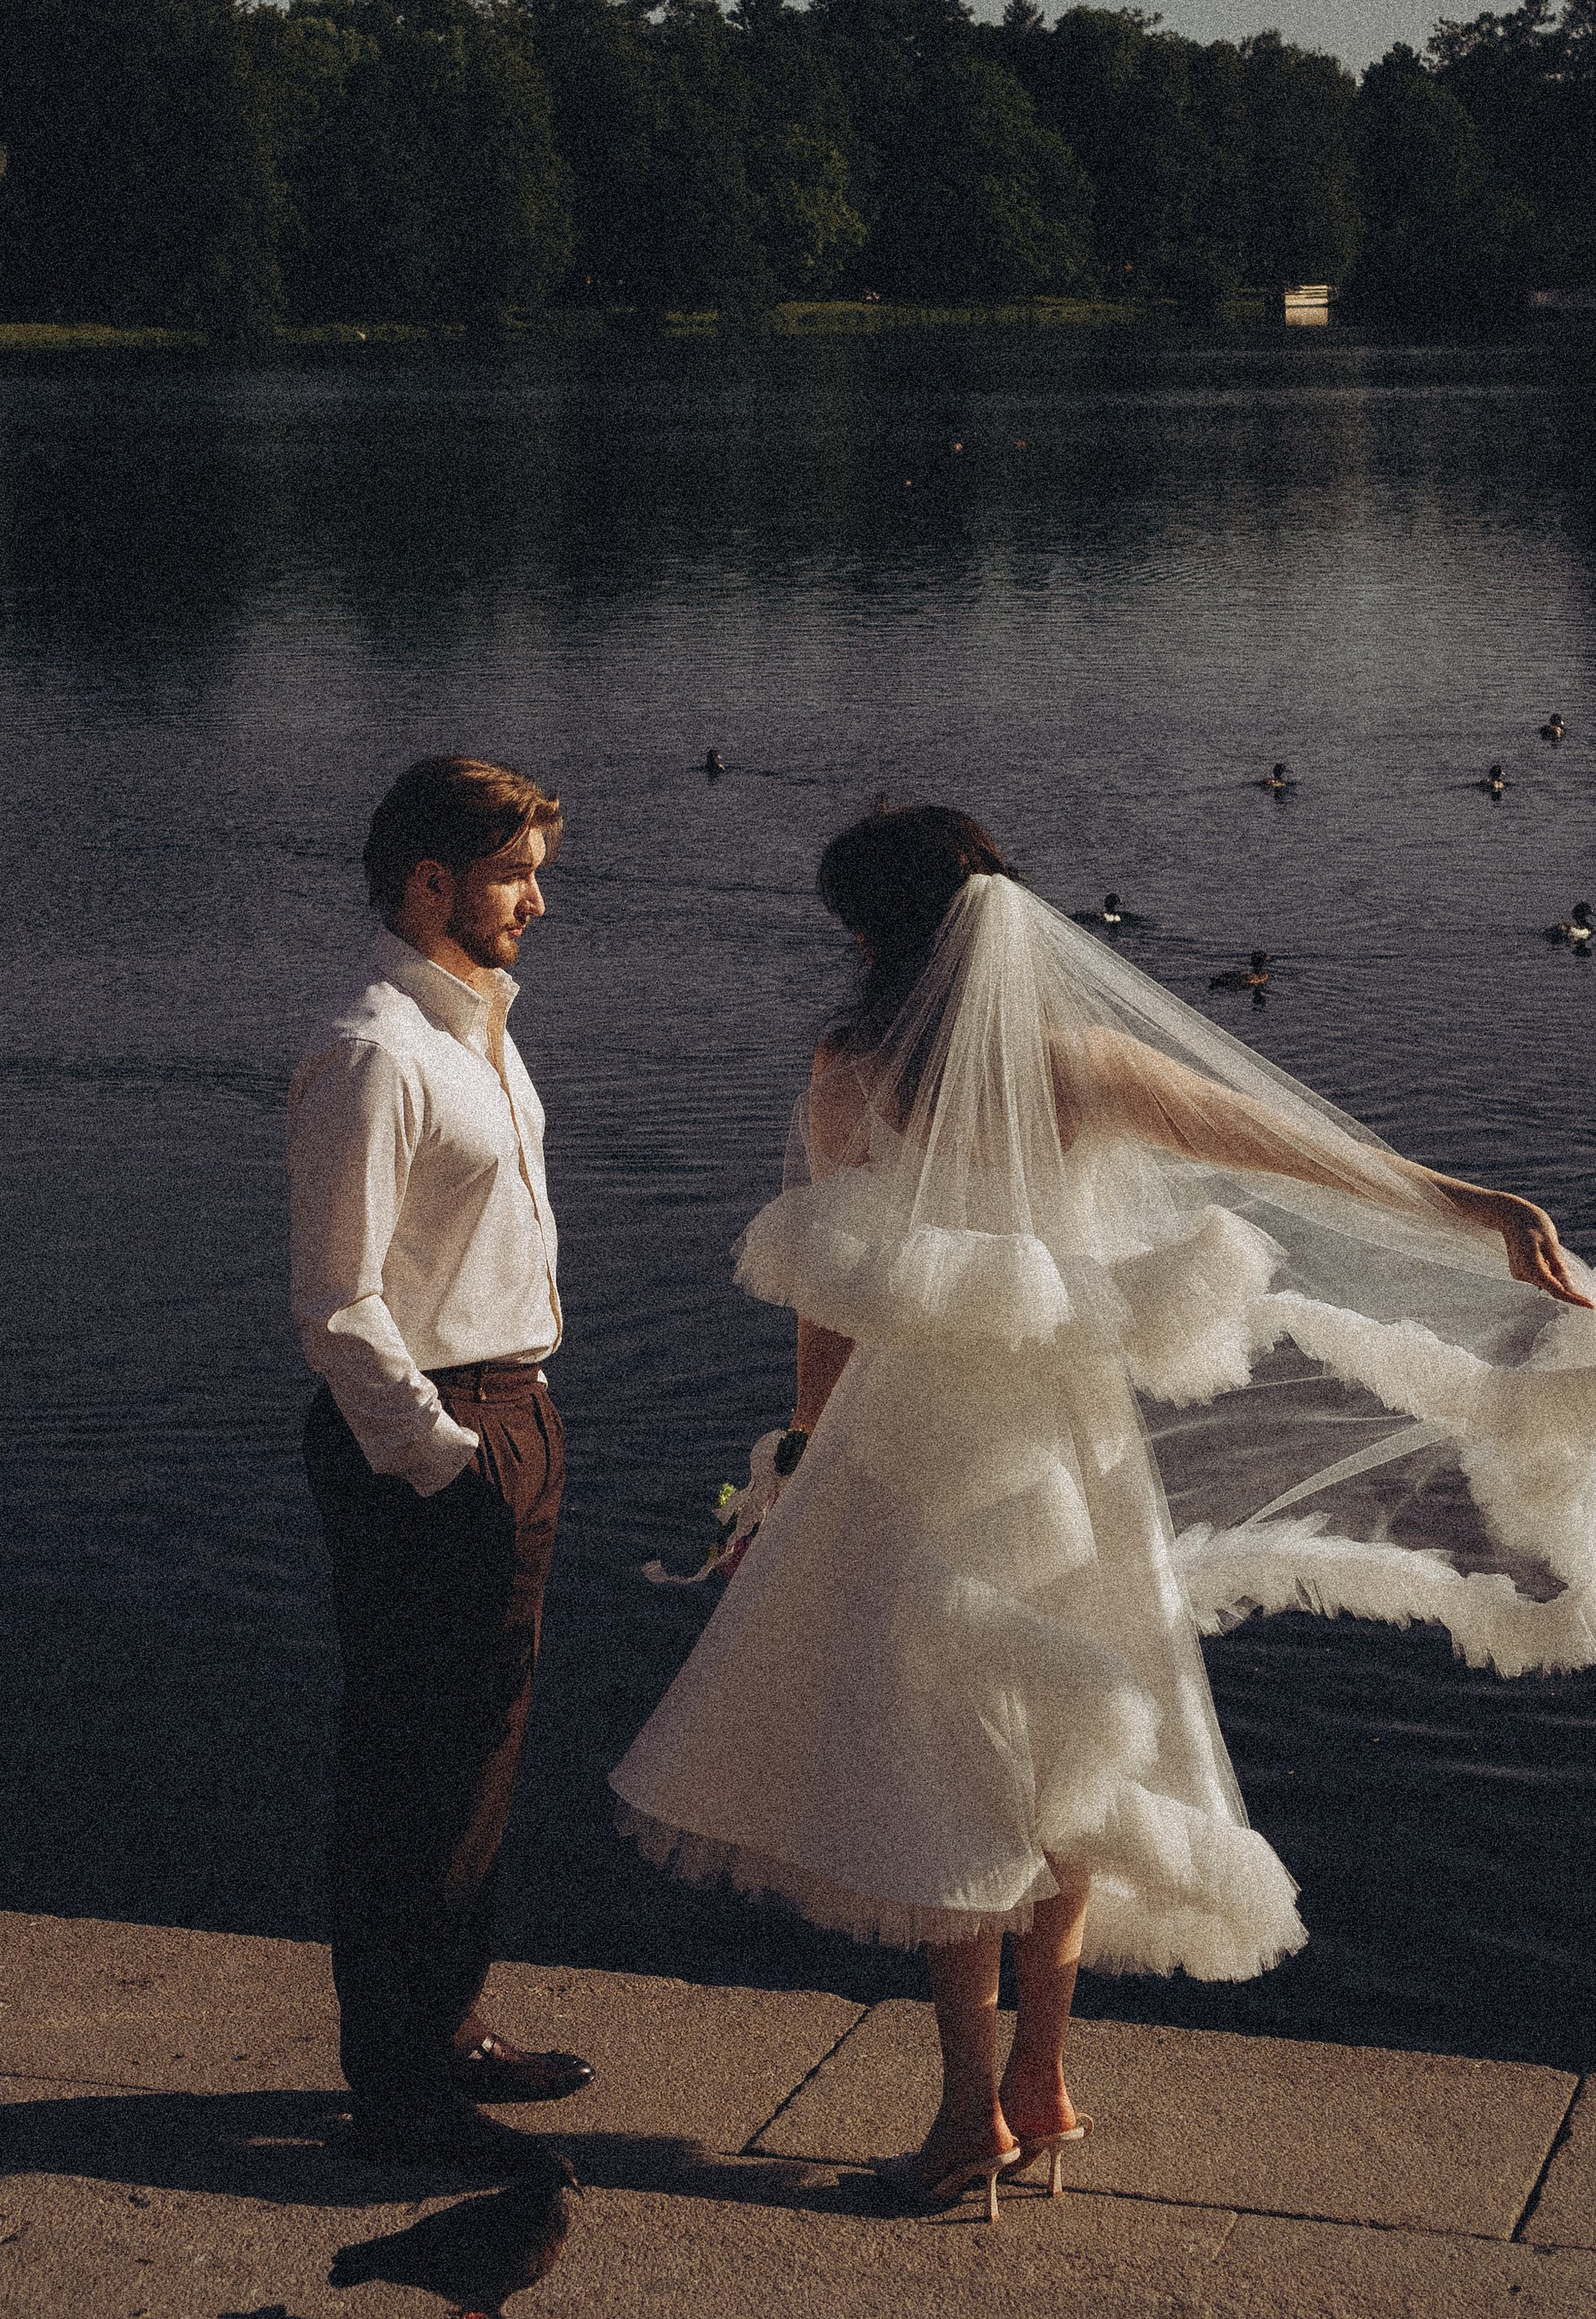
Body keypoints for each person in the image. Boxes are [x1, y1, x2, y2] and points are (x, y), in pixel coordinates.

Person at [612, 804, 1596, 2220]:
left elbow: (834, 1299)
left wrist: (793, 1452)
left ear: (867, 935)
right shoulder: (1077, 1066)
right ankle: (1040, 2084)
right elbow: (1297, 1152)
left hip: (913, 1456)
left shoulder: (845, 1075)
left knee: (948, 1769)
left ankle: (967, 2117)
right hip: (1068, 1454)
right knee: (1070, 1747)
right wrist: (1473, 1204)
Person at [290, 754, 592, 2169]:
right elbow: (339, 1304)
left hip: (511, 1411)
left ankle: (450, 2025)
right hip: (430, 1434)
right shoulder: (373, 1051)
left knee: (485, 1748)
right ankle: (392, 2083)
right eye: (514, 872)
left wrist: (507, 1440)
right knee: (407, 1762)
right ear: (431, 881)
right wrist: (444, 1460)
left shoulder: (477, 1028)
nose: (538, 897)